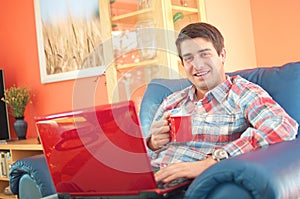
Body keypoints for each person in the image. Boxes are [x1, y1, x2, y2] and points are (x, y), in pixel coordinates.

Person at [146, 22, 298, 185]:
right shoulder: (172, 100)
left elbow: (283, 127)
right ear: (182, 64)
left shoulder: (242, 93)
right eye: (188, 58)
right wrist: (153, 143)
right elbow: (146, 151)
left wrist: (212, 162)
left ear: (222, 55)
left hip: (186, 185)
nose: (197, 65)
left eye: (204, 54)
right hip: (149, 178)